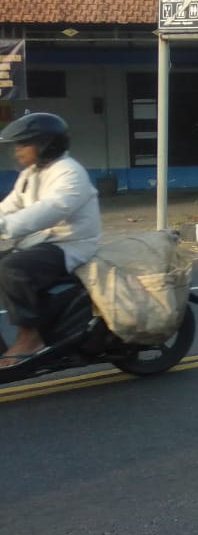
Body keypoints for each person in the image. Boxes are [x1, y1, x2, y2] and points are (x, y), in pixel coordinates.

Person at [0, 113, 101, 369]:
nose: (17, 151)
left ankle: (30, 337)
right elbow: (9, 206)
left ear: (45, 144)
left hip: (70, 245)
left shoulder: (69, 172)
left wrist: (5, 226)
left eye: (23, 144)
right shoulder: (30, 174)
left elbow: (52, 208)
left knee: (12, 268)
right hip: (41, 241)